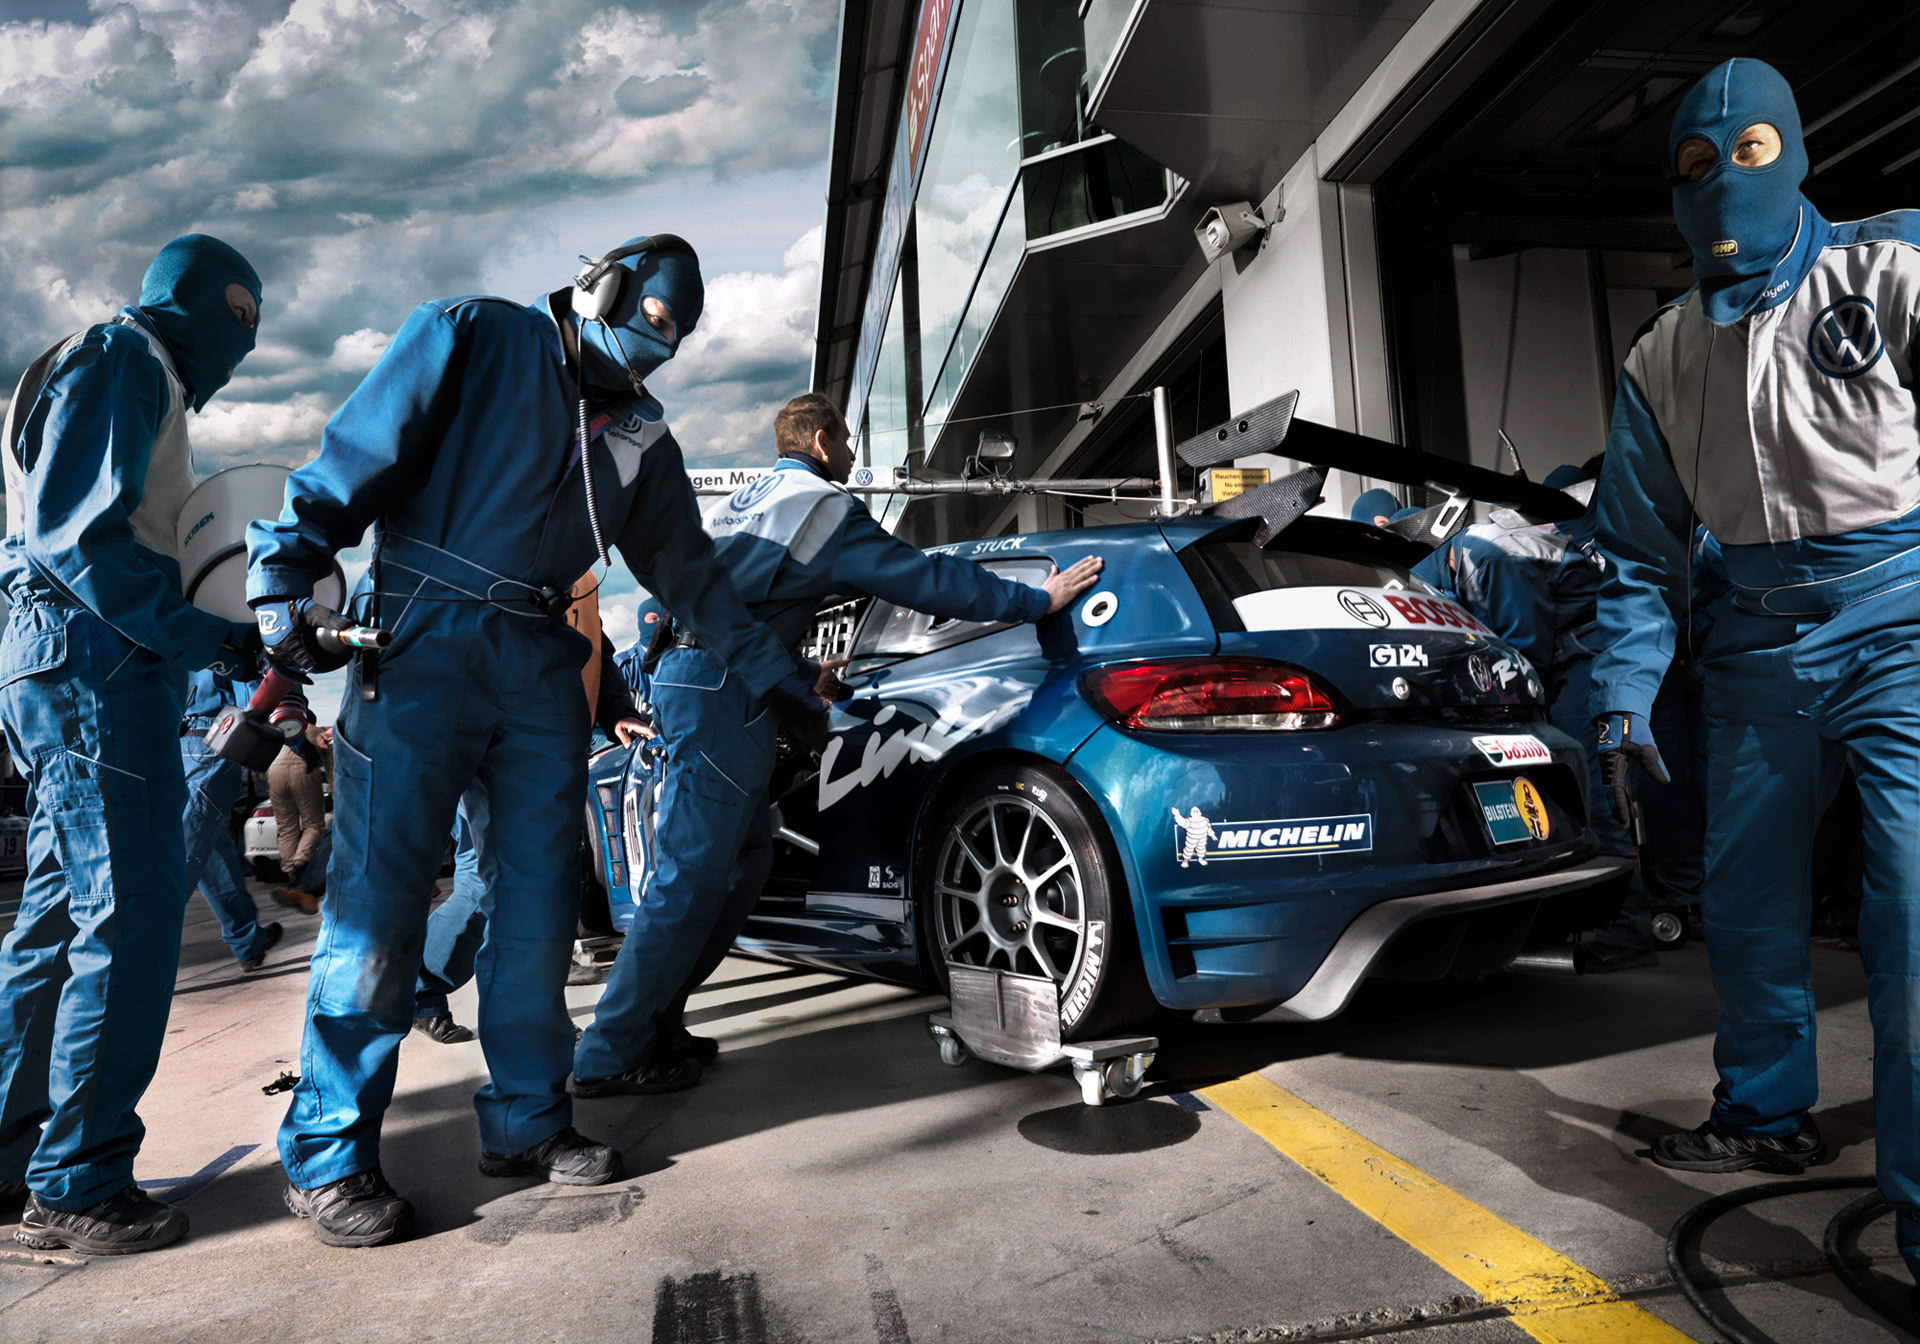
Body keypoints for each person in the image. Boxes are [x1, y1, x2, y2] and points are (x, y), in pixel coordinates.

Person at [246, 234, 823, 1248]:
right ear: (600, 287)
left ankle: (527, 1120)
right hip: (421, 637)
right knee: (378, 904)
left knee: (537, 909)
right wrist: (285, 569)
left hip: (539, 661)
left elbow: (694, 580)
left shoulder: (642, 437)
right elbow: (351, 458)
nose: (661, 352)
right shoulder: (471, 337)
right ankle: (330, 1155)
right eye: (652, 325)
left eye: (677, 342)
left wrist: (788, 682)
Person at [1588, 57, 1920, 1283]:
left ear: (1795, 152)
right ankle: (1764, 1113)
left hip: (1905, 633)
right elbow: (1631, 552)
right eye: (1691, 169)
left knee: (1915, 918)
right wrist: (1620, 696)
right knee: (1748, 912)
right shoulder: (1664, 355)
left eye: (1750, 156)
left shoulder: (1894, 271)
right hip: (1755, 649)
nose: (1721, 184)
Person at [572, 392, 1103, 1095]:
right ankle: (610, 1054)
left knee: (738, 866)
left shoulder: (748, 501)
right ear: (823, 441)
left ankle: (655, 1022)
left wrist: (796, 675)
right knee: (690, 875)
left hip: (703, 678)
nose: (853, 454)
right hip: (723, 690)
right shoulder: (823, 507)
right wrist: (1036, 600)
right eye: (847, 439)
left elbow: (725, 607)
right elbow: (924, 580)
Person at [0, 234, 264, 1254]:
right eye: (245, 326)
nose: (239, 357)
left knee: (59, 916)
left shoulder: (88, 358)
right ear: (218, 311)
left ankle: (17, 1155)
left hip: (54, 657)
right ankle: (78, 1182)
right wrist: (219, 635)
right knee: (135, 912)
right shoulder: (127, 359)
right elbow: (85, 543)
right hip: (97, 663)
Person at [412, 630, 649, 1044]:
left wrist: (615, 710)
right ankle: (422, 993)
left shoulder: (575, 578)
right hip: (475, 745)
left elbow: (595, 651)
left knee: (543, 883)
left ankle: (535, 1011)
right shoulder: (478, 574)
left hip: (544, 752)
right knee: (488, 879)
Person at [179, 667, 283, 971]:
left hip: (175, 747)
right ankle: (135, 956)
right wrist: (297, 743)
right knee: (185, 854)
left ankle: (247, 940)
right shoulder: (232, 629)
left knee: (211, 851)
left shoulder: (173, 627)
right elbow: (255, 704)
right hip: (213, 743)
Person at [266, 700, 328, 893]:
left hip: (274, 775)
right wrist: (335, 791)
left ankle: (289, 872)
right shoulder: (314, 730)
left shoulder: (275, 732)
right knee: (313, 824)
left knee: (286, 828)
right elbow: (331, 763)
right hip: (303, 772)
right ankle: (300, 865)